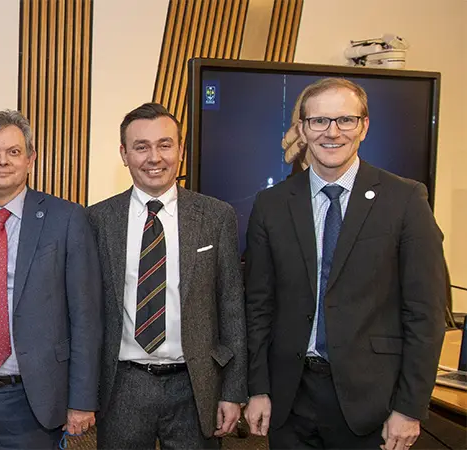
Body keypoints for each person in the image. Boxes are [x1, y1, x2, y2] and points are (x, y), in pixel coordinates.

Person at [243, 78, 447, 450]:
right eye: (319, 121)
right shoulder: (271, 205)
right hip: (290, 400)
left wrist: (410, 407)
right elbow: (258, 306)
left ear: (364, 126)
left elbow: (425, 314)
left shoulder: (405, 201)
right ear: (303, 129)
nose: (332, 132)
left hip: (373, 404)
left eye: (345, 120)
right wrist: (257, 388)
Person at [0, 109, 102, 449]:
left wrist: (82, 399)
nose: (2, 162)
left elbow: (86, 317)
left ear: (30, 159)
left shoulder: (66, 219)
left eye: (13, 152)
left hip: (35, 397)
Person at [87, 103, 246, 449]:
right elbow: (85, 314)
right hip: (123, 384)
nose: (154, 157)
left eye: (164, 144)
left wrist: (233, 391)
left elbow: (232, 307)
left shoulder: (216, 216)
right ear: (124, 154)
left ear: (180, 150)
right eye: (141, 146)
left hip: (195, 383)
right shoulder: (97, 220)